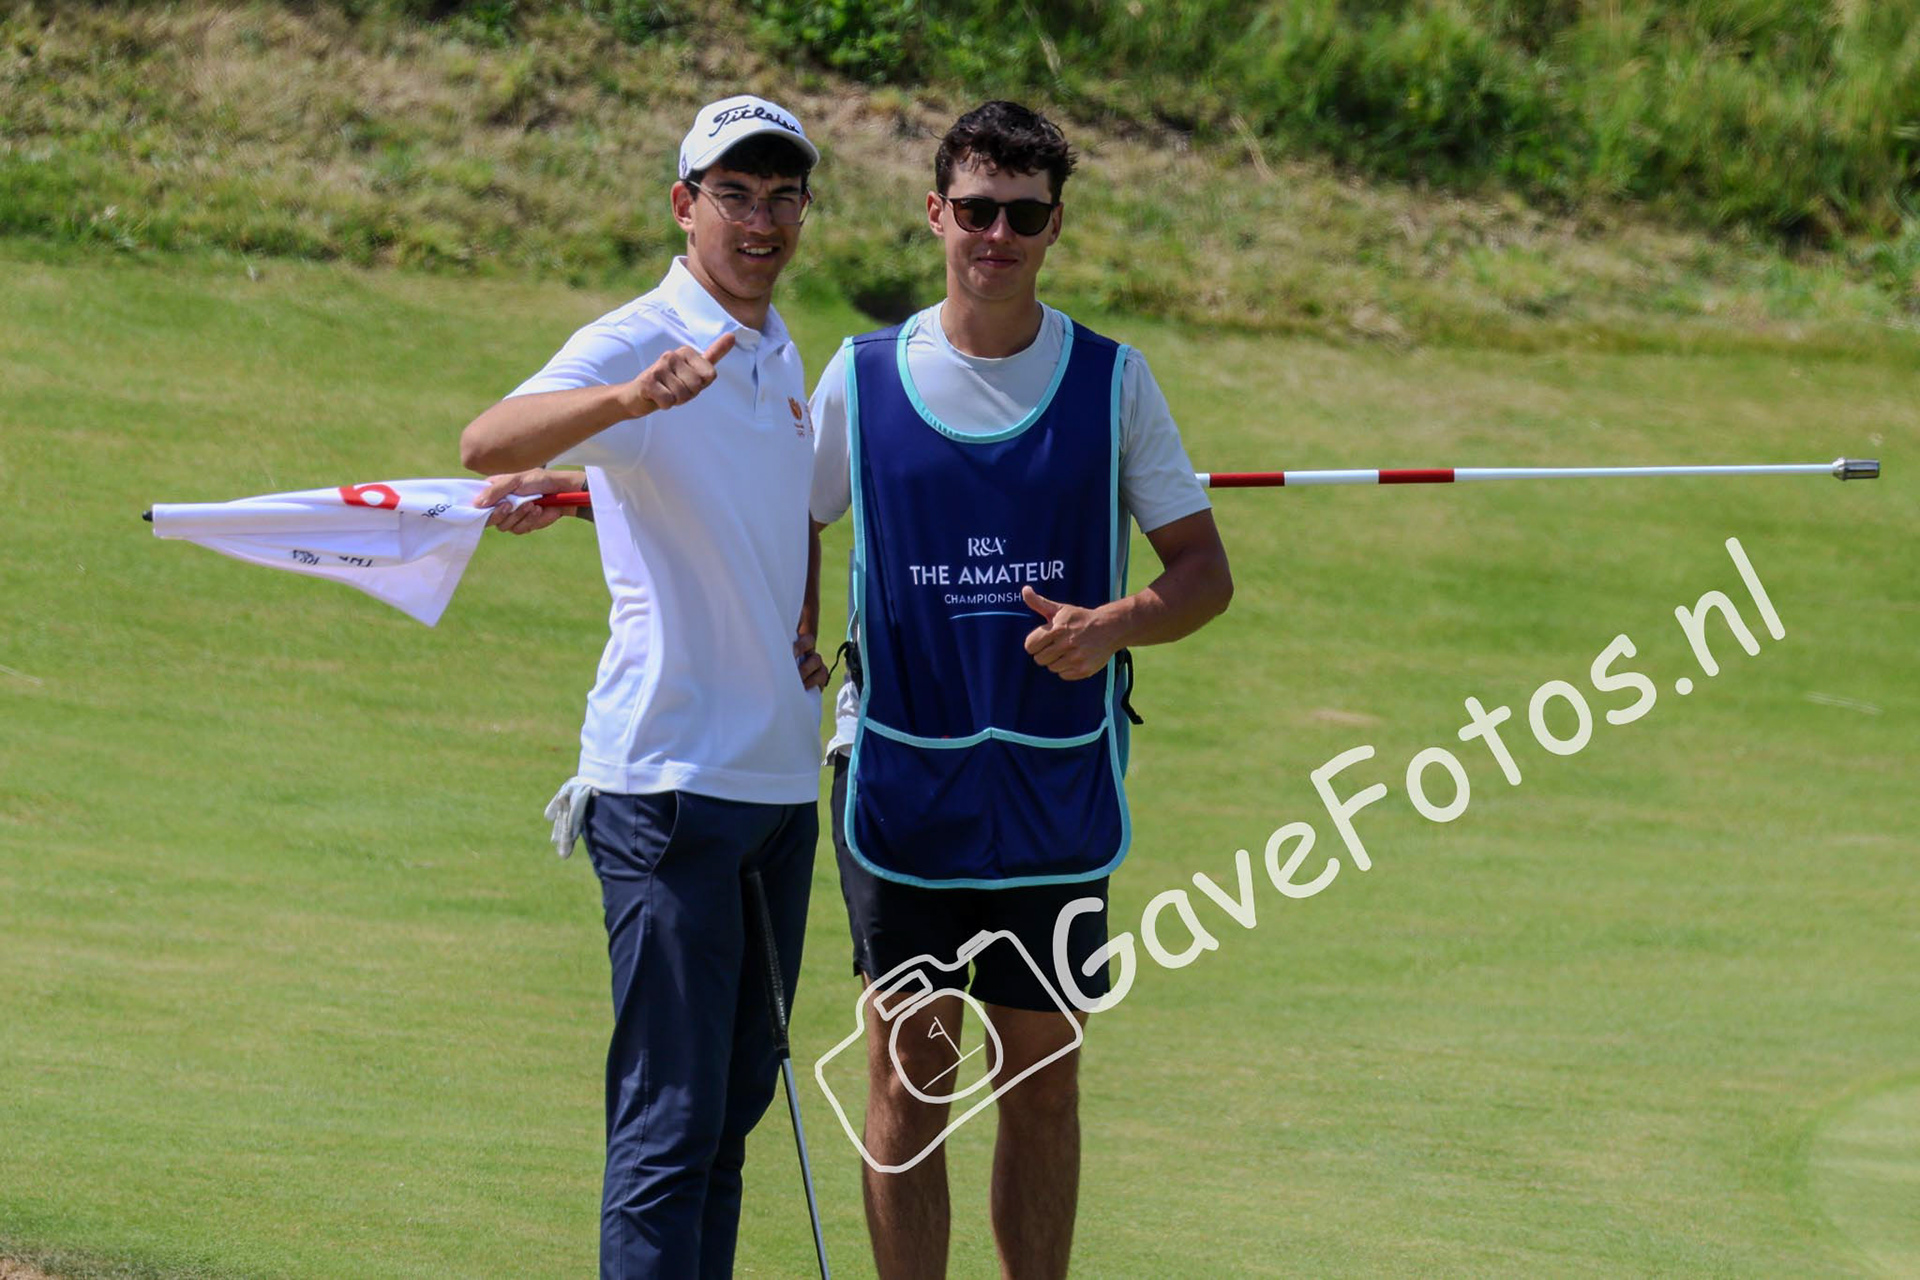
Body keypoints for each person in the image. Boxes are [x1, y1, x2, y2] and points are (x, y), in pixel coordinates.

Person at [805, 101, 1233, 1280]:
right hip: (901, 786)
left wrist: (1119, 624)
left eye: (1025, 215)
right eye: (977, 209)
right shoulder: (861, 376)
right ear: (936, 212)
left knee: (1042, 1075)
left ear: (1056, 227)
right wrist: (797, 625)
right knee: (910, 1071)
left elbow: (1203, 572)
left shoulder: (1112, 381)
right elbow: (790, 515)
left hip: (1052, 797)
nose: (997, 234)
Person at [457, 94, 830, 1279]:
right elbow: (489, 440)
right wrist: (627, 405)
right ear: (685, 205)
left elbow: (789, 509)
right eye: (734, 194)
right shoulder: (644, 334)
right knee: (670, 1123)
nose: (760, 219)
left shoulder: (780, 348)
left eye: (782, 195)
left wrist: (804, 619)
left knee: (729, 1117)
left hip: (777, 784)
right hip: (669, 782)